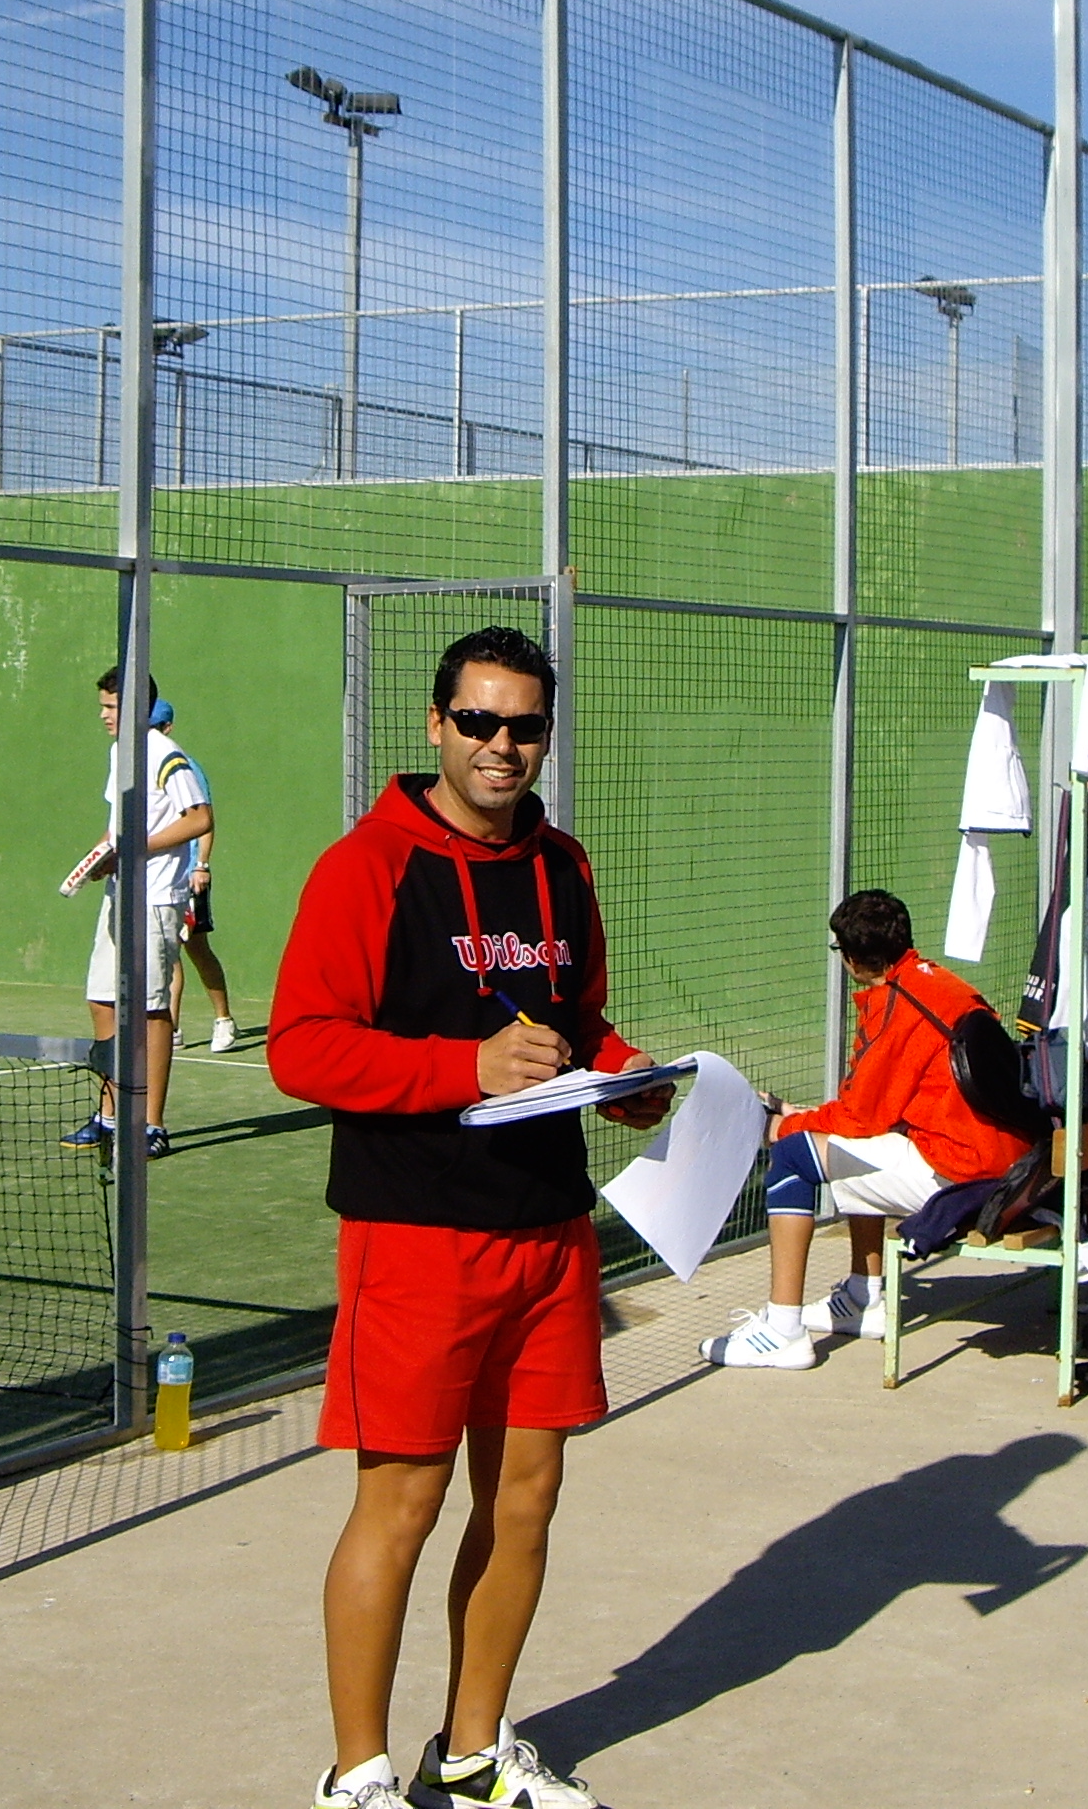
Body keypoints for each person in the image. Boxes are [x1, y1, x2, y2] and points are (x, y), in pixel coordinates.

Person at [269, 625, 668, 1809]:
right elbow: (302, 1048)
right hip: (416, 1234)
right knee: (401, 1502)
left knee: (527, 1498)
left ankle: (475, 1754)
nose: (503, 745)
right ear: (437, 724)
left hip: (549, 1229)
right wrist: (464, 1069)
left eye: (525, 725)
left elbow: (579, 1023)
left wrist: (626, 1076)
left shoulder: (564, 865)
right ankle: (357, 1776)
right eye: (481, 721)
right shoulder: (367, 867)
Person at [701, 890, 1038, 1370]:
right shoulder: (936, 981)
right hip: (1007, 1159)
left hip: (969, 1175)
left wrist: (783, 1125)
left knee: (793, 1157)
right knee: (852, 1145)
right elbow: (881, 1109)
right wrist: (799, 1113)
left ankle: (783, 1331)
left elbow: (861, 1119)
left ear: (853, 959)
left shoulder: (897, 1005)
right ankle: (863, 1297)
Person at [64, 670, 211, 1160]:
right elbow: (119, 825)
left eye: (111, 707)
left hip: (156, 898)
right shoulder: (118, 753)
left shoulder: (166, 755)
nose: (103, 715)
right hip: (119, 894)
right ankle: (109, 1116)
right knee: (102, 1000)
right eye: (103, 706)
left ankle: (151, 1124)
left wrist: (136, 849)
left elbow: (200, 818)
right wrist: (102, 856)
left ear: (134, 708)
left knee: (150, 1010)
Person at [149, 699, 243, 1052]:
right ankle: (171, 1028)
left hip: (188, 876)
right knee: (168, 952)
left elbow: (205, 821)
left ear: (168, 728)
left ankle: (224, 1020)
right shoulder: (143, 766)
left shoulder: (184, 766)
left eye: (156, 728)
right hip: (160, 878)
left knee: (197, 949)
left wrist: (201, 865)